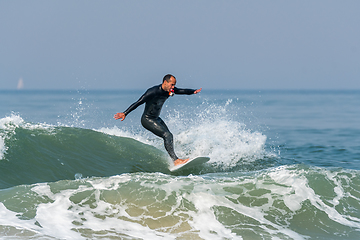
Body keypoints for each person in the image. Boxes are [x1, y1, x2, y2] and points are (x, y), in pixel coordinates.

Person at [114, 74, 202, 166]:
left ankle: (174, 159)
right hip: (147, 119)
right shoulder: (152, 92)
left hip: (156, 118)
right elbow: (138, 102)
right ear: (165, 82)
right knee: (167, 135)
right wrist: (125, 113)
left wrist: (193, 91)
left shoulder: (170, 90)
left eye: (174, 85)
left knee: (169, 136)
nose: (173, 87)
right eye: (172, 85)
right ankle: (175, 160)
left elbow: (181, 91)